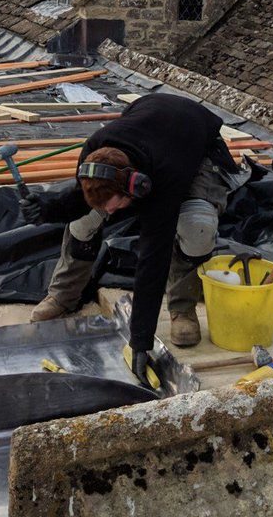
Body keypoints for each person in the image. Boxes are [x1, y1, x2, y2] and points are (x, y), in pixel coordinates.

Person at [20, 92, 248, 385]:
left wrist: (141, 341)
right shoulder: (95, 150)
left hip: (197, 150)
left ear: (137, 186)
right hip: (150, 126)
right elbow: (79, 199)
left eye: (116, 205)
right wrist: (46, 208)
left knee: (197, 229)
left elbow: (153, 254)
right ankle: (64, 295)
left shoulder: (167, 175)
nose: (111, 214)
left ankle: (181, 307)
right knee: (83, 221)